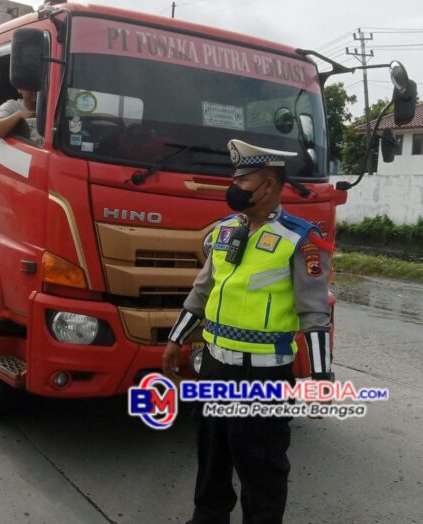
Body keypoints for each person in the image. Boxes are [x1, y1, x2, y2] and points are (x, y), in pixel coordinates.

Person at [163, 139, 334, 524]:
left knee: (261, 464)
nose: (233, 186)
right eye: (234, 178)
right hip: (214, 367)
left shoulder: (300, 240)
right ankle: (207, 517)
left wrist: (322, 378)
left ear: (270, 185)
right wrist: (176, 339)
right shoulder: (224, 232)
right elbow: (202, 291)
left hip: (263, 375)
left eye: (243, 179)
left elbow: (315, 315)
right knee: (211, 454)